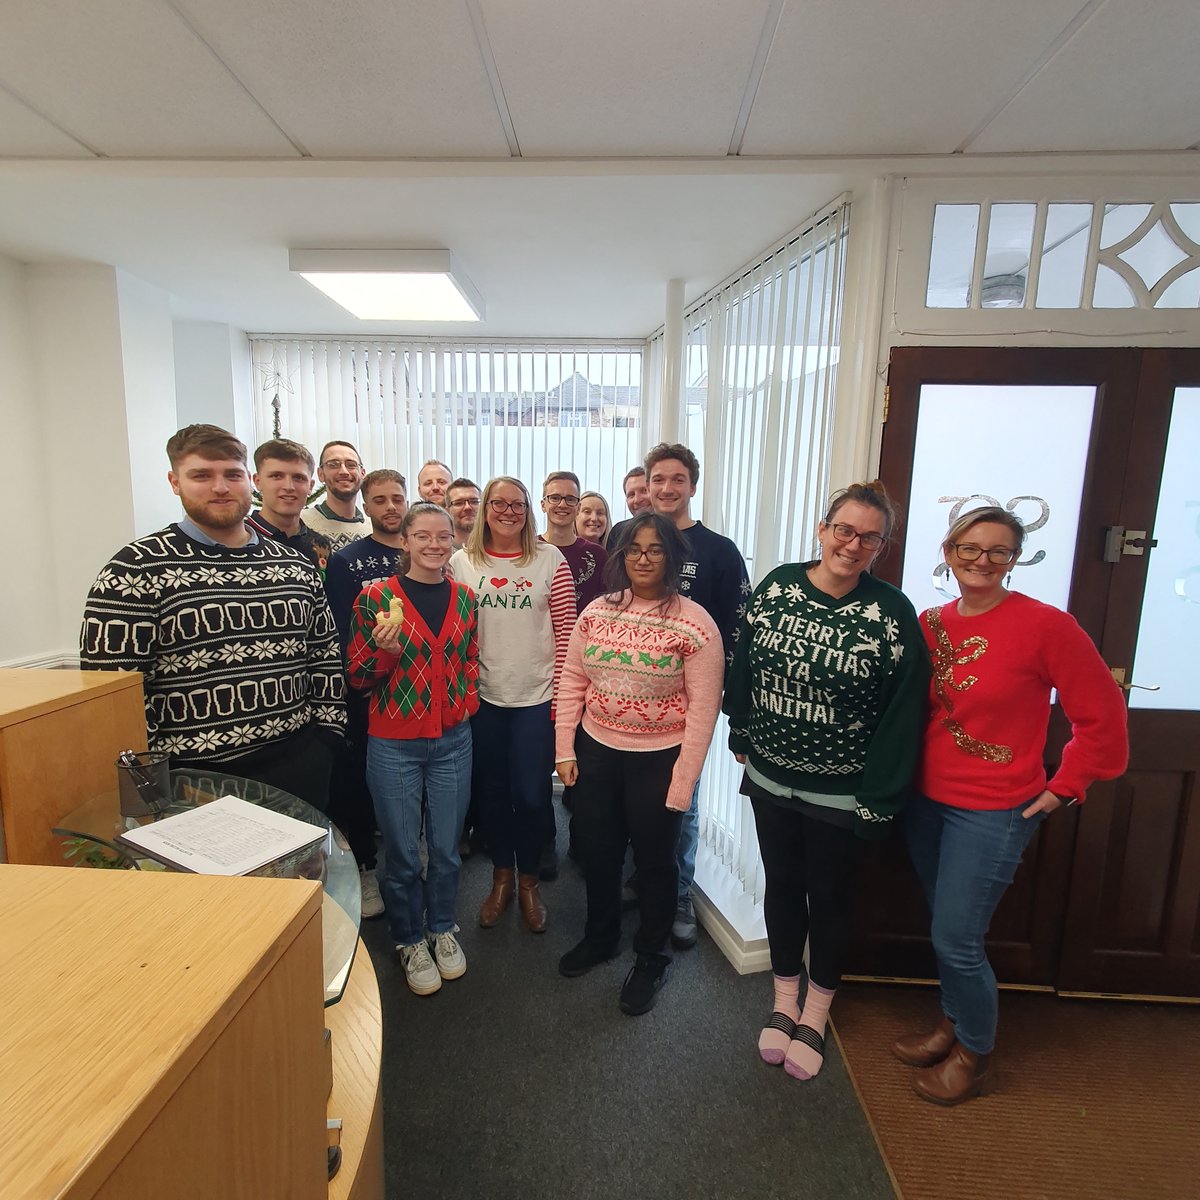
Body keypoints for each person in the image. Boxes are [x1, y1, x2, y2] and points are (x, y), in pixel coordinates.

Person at [895, 505, 1128, 1105]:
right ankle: (952, 1024)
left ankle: (975, 1052)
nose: (983, 561)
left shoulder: (1046, 626)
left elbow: (1102, 716)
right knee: (946, 928)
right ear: (948, 552)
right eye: (970, 548)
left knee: (957, 939)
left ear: (1014, 559)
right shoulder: (930, 624)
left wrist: (1066, 784)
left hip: (994, 811)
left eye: (999, 551)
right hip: (926, 803)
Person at [724, 480, 928, 1080]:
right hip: (770, 776)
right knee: (783, 886)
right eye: (844, 529)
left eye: (869, 536)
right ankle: (784, 1002)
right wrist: (741, 733)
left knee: (832, 899)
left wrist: (880, 797)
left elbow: (904, 711)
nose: (853, 543)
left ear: (879, 547)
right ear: (823, 530)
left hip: (843, 791)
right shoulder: (780, 584)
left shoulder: (892, 612)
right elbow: (746, 659)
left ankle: (816, 1013)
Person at [80, 424, 345, 811]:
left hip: (297, 763)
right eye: (201, 475)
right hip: (192, 777)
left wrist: (327, 738)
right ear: (175, 482)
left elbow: (323, 655)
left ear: (247, 482)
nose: (220, 487)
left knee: (302, 871)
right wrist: (150, 784)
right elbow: (115, 692)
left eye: (232, 475)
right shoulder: (135, 569)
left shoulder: (294, 565)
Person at [555, 513, 723, 1014]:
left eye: (655, 550)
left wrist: (683, 783)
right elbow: (572, 682)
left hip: (660, 759)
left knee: (654, 865)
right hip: (597, 751)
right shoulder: (596, 613)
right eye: (634, 550)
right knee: (600, 856)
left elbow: (703, 712)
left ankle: (652, 957)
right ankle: (602, 937)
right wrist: (565, 748)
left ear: (673, 558)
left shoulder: (696, 623)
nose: (643, 558)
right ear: (621, 556)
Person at [346, 502, 479, 995]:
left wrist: (466, 703)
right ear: (404, 542)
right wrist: (387, 652)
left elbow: (469, 657)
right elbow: (358, 678)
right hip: (394, 744)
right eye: (421, 536)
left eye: (443, 536)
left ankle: (442, 927)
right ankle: (407, 937)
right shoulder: (376, 599)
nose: (433, 545)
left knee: (445, 849)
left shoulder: (465, 598)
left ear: (453, 541)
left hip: (452, 742)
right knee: (402, 853)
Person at [449, 476, 576, 933]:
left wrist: (562, 701)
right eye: (498, 503)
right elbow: (454, 635)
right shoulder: (462, 562)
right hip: (483, 699)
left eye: (517, 504)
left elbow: (568, 634)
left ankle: (529, 882)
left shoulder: (549, 560)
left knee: (531, 794)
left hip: (536, 699)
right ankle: (500, 877)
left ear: (529, 510)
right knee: (493, 796)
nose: (508, 511)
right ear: (485, 509)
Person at [646, 441, 750, 949]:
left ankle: (680, 894)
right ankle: (644, 886)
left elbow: (737, 630)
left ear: (692, 485)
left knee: (681, 803)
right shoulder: (629, 537)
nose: (666, 489)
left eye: (677, 480)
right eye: (658, 479)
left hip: (690, 705)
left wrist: (729, 705)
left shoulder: (720, 551)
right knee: (635, 801)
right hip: (631, 703)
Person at [323, 468, 409, 919]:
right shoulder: (347, 560)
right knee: (360, 784)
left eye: (398, 498)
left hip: (418, 694)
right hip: (368, 692)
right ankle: (366, 866)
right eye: (379, 500)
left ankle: (410, 859)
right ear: (366, 504)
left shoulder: (427, 554)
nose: (390, 507)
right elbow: (340, 633)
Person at [246, 438, 330, 573]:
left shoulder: (320, 546)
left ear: (311, 486)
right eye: (276, 476)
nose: (289, 487)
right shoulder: (239, 539)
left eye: (299, 478)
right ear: (258, 481)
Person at [540, 471, 609, 611]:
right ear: (543, 505)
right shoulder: (530, 550)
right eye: (554, 498)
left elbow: (606, 608)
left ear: (578, 508)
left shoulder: (598, 555)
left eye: (570, 499)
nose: (562, 504)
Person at [304, 441, 369, 554]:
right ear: (321, 474)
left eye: (351, 465)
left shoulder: (373, 529)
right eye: (333, 465)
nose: (344, 471)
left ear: (362, 473)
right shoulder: (301, 524)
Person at [609, 465, 652, 547]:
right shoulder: (618, 533)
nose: (637, 500)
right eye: (631, 495)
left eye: (644, 491)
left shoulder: (674, 529)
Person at [446, 477, 482, 550]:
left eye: (474, 501)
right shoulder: (440, 552)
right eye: (459, 503)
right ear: (447, 511)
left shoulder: (497, 548)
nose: (467, 507)